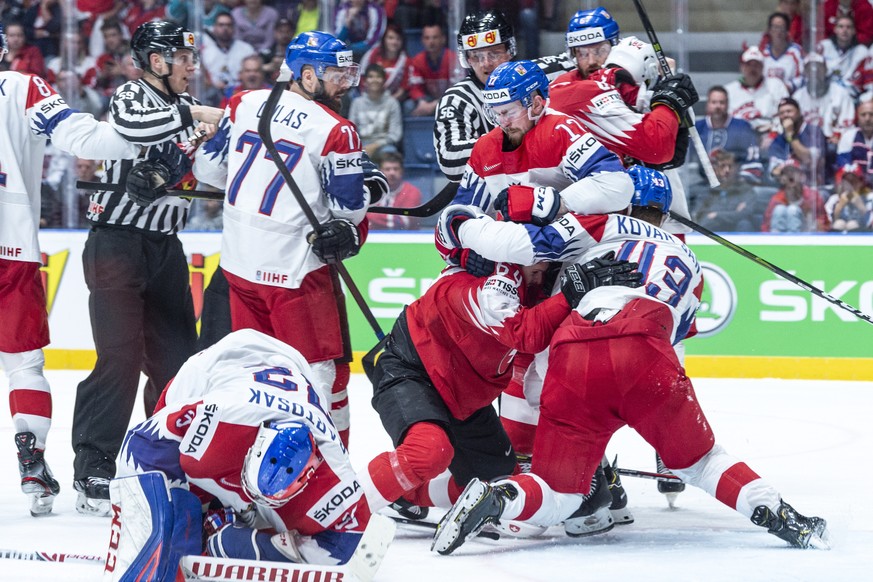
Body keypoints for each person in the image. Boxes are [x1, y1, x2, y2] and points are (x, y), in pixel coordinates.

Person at [430, 166, 830, 554]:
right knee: (705, 463)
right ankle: (782, 516)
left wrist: (489, 216)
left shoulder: (600, 224)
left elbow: (535, 246)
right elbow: (674, 340)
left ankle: (499, 498)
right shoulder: (692, 266)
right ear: (665, 213)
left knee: (558, 492)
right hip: (645, 349)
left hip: (570, 351)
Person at [368, 217, 640, 526]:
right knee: (430, 451)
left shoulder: (523, 278)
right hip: (414, 373)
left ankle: (408, 495)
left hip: (465, 397)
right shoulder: (485, 286)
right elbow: (525, 334)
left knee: (494, 484)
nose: (545, 268)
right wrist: (569, 295)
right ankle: (343, 510)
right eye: (537, 259)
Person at [194, 31, 383, 451]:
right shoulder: (337, 129)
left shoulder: (244, 102)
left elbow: (208, 170)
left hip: (239, 267)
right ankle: (328, 469)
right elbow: (347, 209)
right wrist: (374, 182)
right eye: (336, 74)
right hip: (297, 274)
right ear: (308, 74)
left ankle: (259, 470)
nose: (344, 84)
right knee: (322, 374)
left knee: (258, 374)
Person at [72, 20, 225, 517]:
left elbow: (207, 160)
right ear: (156, 62)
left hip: (165, 248)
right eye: (183, 59)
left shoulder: (187, 109)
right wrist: (198, 117)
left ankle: (160, 457)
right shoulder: (132, 96)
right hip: (115, 243)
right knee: (118, 356)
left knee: (178, 363)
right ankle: (93, 464)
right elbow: (138, 128)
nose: (191, 67)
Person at [111, 329, 391, 575]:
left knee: (250, 515)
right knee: (176, 475)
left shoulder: (335, 478)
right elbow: (140, 445)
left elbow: (345, 546)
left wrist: (243, 545)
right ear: (252, 448)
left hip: (296, 373)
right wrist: (149, 526)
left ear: (310, 472)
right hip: (218, 366)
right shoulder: (222, 416)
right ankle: (209, 511)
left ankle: (223, 516)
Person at [0, 23, 139, 517]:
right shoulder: (19, 86)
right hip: (9, 248)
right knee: (24, 364)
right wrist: (144, 138)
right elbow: (79, 135)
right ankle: (31, 460)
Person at [452, 59, 633, 215]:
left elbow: (616, 185)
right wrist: (462, 245)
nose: (503, 123)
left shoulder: (561, 131)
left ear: (537, 105)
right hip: (520, 249)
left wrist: (551, 203)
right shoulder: (486, 146)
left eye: (509, 112)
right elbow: (461, 213)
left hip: (570, 247)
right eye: (496, 113)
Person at [434, 9, 572, 182]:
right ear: (467, 59)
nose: (486, 63)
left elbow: (585, 59)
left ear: (510, 50)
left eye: (494, 52)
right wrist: (514, 137)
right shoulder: (457, 100)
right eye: (476, 56)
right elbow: (450, 161)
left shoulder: (536, 75)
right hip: (494, 197)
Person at [693, 86, 763, 183]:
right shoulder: (697, 128)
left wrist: (738, 179)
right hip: (704, 184)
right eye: (714, 102)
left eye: (722, 102)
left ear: (728, 104)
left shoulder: (742, 127)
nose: (718, 106)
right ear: (707, 104)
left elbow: (753, 160)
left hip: (736, 183)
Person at [725, 46, 789, 137]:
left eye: (756, 65)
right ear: (741, 67)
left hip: (769, 133)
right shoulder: (729, 90)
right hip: (738, 135)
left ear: (763, 67)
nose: (752, 69)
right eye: (749, 65)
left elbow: (786, 113)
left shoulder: (776, 85)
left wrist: (774, 132)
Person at [693, 150, 763, 232]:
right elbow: (701, 217)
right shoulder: (706, 191)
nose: (727, 170)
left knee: (744, 223)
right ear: (716, 169)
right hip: (712, 233)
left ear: (736, 168)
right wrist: (733, 212)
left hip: (737, 236)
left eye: (730, 166)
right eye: (722, 166)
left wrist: (716, 215)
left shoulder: (746, 190)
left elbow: (745, 213)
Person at [768, 97, 828, 185]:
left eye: (789, 111)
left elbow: (810, 160)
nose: (785, 115)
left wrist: (790, 135)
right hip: (787, 188)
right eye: (781, 113)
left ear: (799, 112)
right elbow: (774, 171)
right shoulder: (778, 140)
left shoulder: (813, 131)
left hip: (814, 187)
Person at [348, 63, 402, 159]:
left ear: (384, 81)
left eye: (378, 77)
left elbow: (395, 134)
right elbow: (351, 131)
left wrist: (374, 146)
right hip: (361, 145)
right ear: (365, 81)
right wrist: (361, 147)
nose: (374, 80)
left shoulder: (392, 103)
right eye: (371, 77)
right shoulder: (357, 103)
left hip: (384, 145)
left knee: (389, 153)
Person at [200, 12, 258, 99]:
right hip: (212, 96)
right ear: (214, 28)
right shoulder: (205, 51)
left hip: (242, 95)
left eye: (229, 25)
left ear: (234, 28)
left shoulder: (246, 49)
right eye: (221, 25)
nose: (225, 28)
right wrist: (211, 84)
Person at [763, 160, 830, 232]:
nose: (790, 176)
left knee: (793, 210)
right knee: (779, 209)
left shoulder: (813, 196)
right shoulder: (776, 200)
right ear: (782, 179)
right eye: (786, 173)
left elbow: (824, 224)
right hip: (780, 240)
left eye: (793, 172)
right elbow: (766, 227)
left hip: (805, 238)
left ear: (801, 176)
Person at [406, 22, 455, 117]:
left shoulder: (453, 59)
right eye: (427, 38)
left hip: (449, 100)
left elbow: (456, 89)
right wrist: (422, 102)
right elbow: (415, 88)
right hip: (427, 100)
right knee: (409, 106)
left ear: (443, 39)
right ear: (422, 40)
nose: (431, 42)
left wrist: (435, 104)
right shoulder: (417, 60)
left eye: (435, 37)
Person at [366, 152, 422, 230]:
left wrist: (369, 216)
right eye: (387, 169)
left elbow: (403, 222)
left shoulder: (412, 191)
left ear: (402, 171)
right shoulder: (371, 190)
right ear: (380, 172)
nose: (392, 173)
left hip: (405, 238)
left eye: (396, 169)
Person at [817, 14, 867, 99]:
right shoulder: (824, 46)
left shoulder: (861, 51)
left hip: (849, 96)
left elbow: (859, 81)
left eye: (848, 27)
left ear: (854, 31)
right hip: (824, 93)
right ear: (835, 29)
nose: (844, 30)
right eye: (841, 27)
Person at [359, 23, 409, 103]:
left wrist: (386, 103)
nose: (394, 42)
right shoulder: (373, 54)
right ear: (384, 39)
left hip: (392, 100)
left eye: (398, 39)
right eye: (390, 38)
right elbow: (362, 78)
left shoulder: (406, 60)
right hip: (368, 97)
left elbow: (403, 89)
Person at [761, 12, 804, 92]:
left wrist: (789, 85)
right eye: (775, 27)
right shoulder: (763, 53)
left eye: (782, 28)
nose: (778, 32)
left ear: (787, 31)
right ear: (769, 30)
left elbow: (804, 77)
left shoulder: (796, 51)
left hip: (790, 97)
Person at [835, 97, 873, 181]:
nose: (867, 119)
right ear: (858, 117)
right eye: (863, 115)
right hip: (856, 186)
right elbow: (844, 164)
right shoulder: (848, 136)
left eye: (871, 114)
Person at [826, 163, 872, 231]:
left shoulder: (869, 198)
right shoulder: (834, 199)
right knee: (839, 224)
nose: (850, 186)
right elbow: (829, 223)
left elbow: (869, 223)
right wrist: (840, 205)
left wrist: (860, 205)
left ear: (861, 183)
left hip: (862, 235)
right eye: (847, 182)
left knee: (852, 224)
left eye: (853, 182)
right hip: (837, 235)